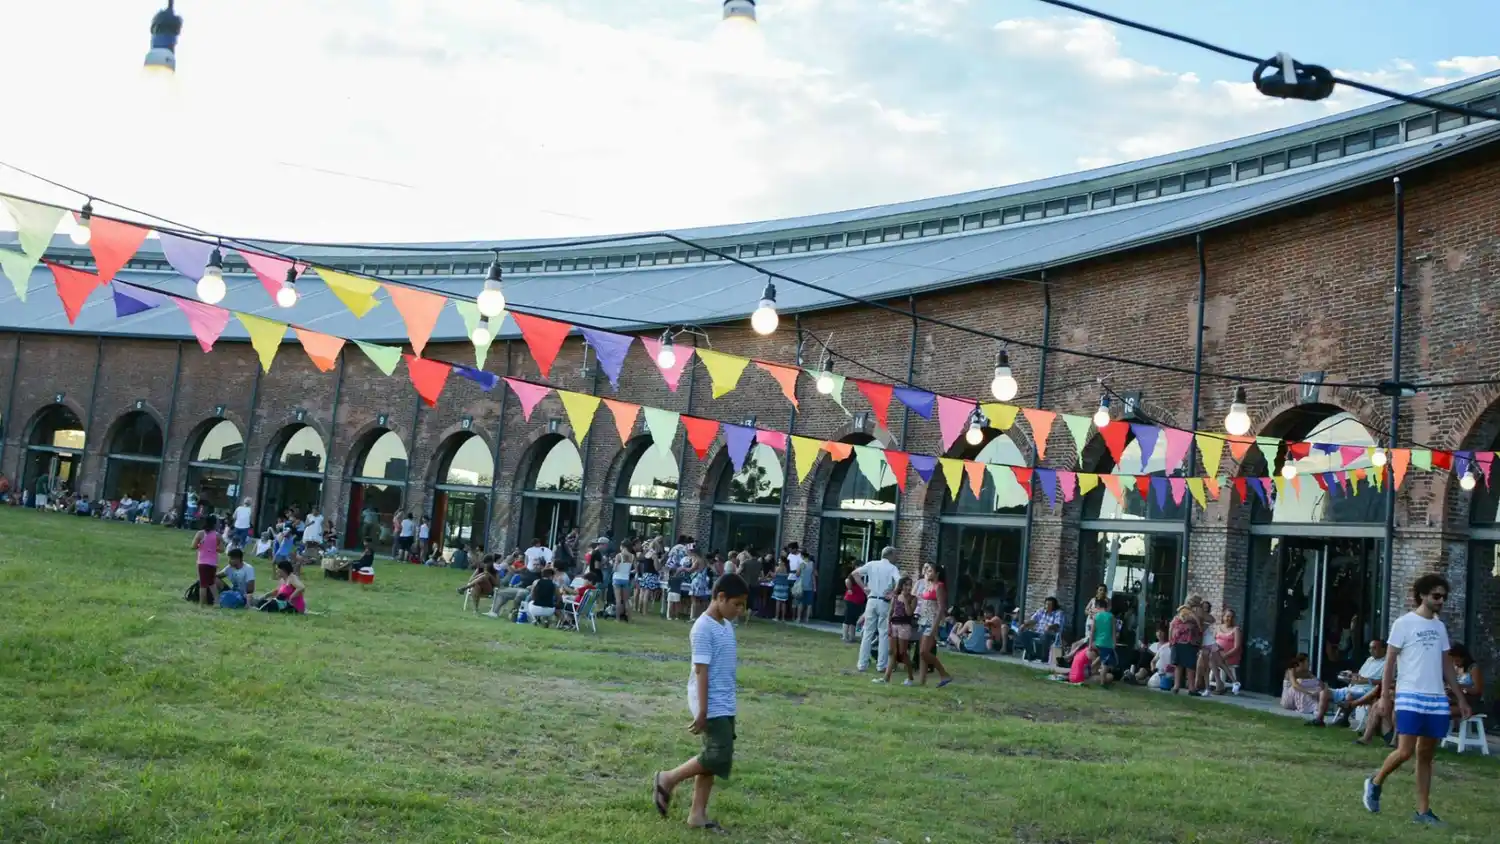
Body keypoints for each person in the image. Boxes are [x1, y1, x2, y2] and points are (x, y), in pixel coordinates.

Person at [1364, 574, 1471, 825]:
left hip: (1435, 698)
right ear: (1422, 595)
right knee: (1404, 751)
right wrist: (1384, 696)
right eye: (1436, 596)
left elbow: (1446, 665)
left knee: (1425, 756)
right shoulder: (1404, 624)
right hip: (1410, 694)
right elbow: (1390, 662)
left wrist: (1460, 699)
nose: (1441, 600)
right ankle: (1375, 782)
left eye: (1444, 596)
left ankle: (1423, 812)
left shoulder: (1439, 627)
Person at [652, 572, 748, 833]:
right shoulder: (703, 628)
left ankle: (697, 814)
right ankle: (668, 778)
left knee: (713, 761)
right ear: (720, 598)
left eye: (743, 605)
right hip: (710, 702)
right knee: (718, 754)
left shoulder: (725, 625)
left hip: (725, 700)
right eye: (736, 604)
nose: (740, 610)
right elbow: (700, 671)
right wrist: (703, 709)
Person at [1309, 639, 1387, 727]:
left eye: (1374, 648)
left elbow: (1384, 682)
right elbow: (1360, 675)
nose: (1371, 651)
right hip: (1354, 687)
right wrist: (1350, 675)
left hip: (1368, 691)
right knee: (1324, 692)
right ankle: (1319, 720)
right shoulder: (1370, 660)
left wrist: (1367, 680)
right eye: (1370, 648)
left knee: (1349, 695)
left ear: (1383, 649)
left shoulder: (1387, 663)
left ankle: (1344, 719)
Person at [853, 547, 901, 675]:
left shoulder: (871, 564)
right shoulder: (892, 568)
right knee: (883, 633)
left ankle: (862, 663)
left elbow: (855, 574)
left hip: (871, 600)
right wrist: (893, 593)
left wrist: (865, 588)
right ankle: (881, 665)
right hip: (883, 602)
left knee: (868, 632)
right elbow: (899, 580)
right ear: (890, 555)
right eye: (895, 555)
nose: (897, 557)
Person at [915, 563, 953, 687]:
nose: (927, 572)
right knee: (922, 653)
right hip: (923, 620)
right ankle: (922, 681)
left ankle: (944, 674)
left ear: (937, 574)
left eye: (930, 571)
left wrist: (935, 626)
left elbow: (941, 607)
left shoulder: (939, 587)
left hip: (932, 621)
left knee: (923, 652)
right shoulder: (928, 586)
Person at [192, 515, 222, 607]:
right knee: (211, 582)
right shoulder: (217, 535)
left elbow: (193, 546)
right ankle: (217, 602)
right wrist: (214, 548)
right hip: (213, 562)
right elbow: (222, 549)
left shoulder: (200, 534)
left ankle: (202, 603)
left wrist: (200, 546)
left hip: (202, 562)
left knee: (203, 584)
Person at [841, 566, 866, 644]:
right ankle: (845, 636)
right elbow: (847, 580)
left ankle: (852, 636)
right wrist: (849, 589)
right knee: (848, 618)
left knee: (855, 620)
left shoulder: (861, 576)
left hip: (859, 601)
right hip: (851, 600)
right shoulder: (853, 575)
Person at [794, 552, 816, 623]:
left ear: (803, 556)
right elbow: (813, 576)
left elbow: (797, 574)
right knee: (809, 603)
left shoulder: (802, 564)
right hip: (810, 586)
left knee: (800, 603)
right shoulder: (812, 564)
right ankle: (807, 619)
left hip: (801, 585)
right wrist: (815, 586)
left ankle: (798, 618)